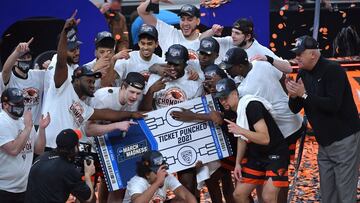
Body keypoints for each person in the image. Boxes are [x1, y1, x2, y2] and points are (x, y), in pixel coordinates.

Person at [42, 11, 144, 150]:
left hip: (68, 148)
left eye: (78, 48)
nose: (93, 85)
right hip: (49, 147)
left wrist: (131, 114)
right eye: (89, 81)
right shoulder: (61, 85)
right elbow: (61, 62)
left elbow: (106, 113)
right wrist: (65, 32)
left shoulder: (80, 104)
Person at [286, 35, 360, 203]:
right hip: (324, 143)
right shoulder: (303, 73)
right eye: (295, 54)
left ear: (313, 54)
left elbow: (332, 105)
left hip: (344, 139)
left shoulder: (333, 70)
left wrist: (303, 94)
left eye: (299, 54)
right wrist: (293, 96)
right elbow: (295, 108)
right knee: (328, 196)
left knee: (345, 195)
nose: (296, 57)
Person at [215, 78, 289, 203]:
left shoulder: (251, 106)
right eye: (220, 99)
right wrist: (238, 163)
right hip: (257, 155)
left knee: (268, 197)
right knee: (238, 195)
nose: (222, 101)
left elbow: (265, 139)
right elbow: (242, 139)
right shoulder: (235, 110)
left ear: (234, 93)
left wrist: (240, 130)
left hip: (275, 153)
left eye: (225, 97)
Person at [86, 72, 146, 203]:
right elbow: (88, 130)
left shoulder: (135, 99)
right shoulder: (103, 98)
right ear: (123, 87)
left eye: (138, 93)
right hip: (89, 147)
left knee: (116, 187)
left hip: (109, 147)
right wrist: (117, 125)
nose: (135, 97)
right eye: (132, 92)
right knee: (87, 195)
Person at [0, 87, 50, 203]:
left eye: (22, 102)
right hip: (3, 188)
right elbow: (13, 150)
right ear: (5, 104)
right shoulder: (2, 121)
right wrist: (28, 127)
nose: (21, 106)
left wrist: (42, 129)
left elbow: (39, 150)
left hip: (23, 188)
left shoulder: (25, 121)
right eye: (17, 103)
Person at [25, 129, 96, 203]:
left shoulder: (42, 156)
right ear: (75, 147)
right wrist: (88, 175)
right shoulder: (67, 169)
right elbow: (88, 198)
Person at [202, 18, 292, 72]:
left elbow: (288, 69)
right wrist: (212, 31)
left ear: (248, 36)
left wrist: (268, 59)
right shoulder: (229, 40)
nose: (233, 36)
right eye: (232, 32)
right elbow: (201, 40)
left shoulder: (259, 49)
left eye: (237, 33)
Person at [140, 44, 203, 111]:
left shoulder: (195, 83)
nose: (172, 68)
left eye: (176, 65)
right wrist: (151, 91)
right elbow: (144, 110)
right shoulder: (155, 78)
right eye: (169, 63)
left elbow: (198, 111)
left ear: (185, 64)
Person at [123, 150, 197, 203]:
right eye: (157, 172)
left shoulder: (166, 176)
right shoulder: (136, 182)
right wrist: (157, 182)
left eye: (163, 169)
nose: (162, 175)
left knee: (182, 200)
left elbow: (187, 196)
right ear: (147, 174)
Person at [2, 39, 46, 126]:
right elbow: (5, 71)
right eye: (22, 57)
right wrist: (17, 52)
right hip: (15, 127)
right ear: (14, 61)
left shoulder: (38, 75)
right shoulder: (9, 77)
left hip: (35, 127)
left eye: (28, 57)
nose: (26, 60)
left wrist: (50, 65)